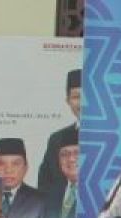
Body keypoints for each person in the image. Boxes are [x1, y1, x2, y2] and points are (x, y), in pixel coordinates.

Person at [37, 69, 81, 199]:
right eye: (76, 97)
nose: (82, 103)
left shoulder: (112, 137)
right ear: (68, 101)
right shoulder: (56, 139)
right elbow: (44, 185)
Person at [42, 138, 78, 218]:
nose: (71, 159)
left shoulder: (98, 195)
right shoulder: (50, 194)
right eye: (64, 154)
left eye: (77, 153)